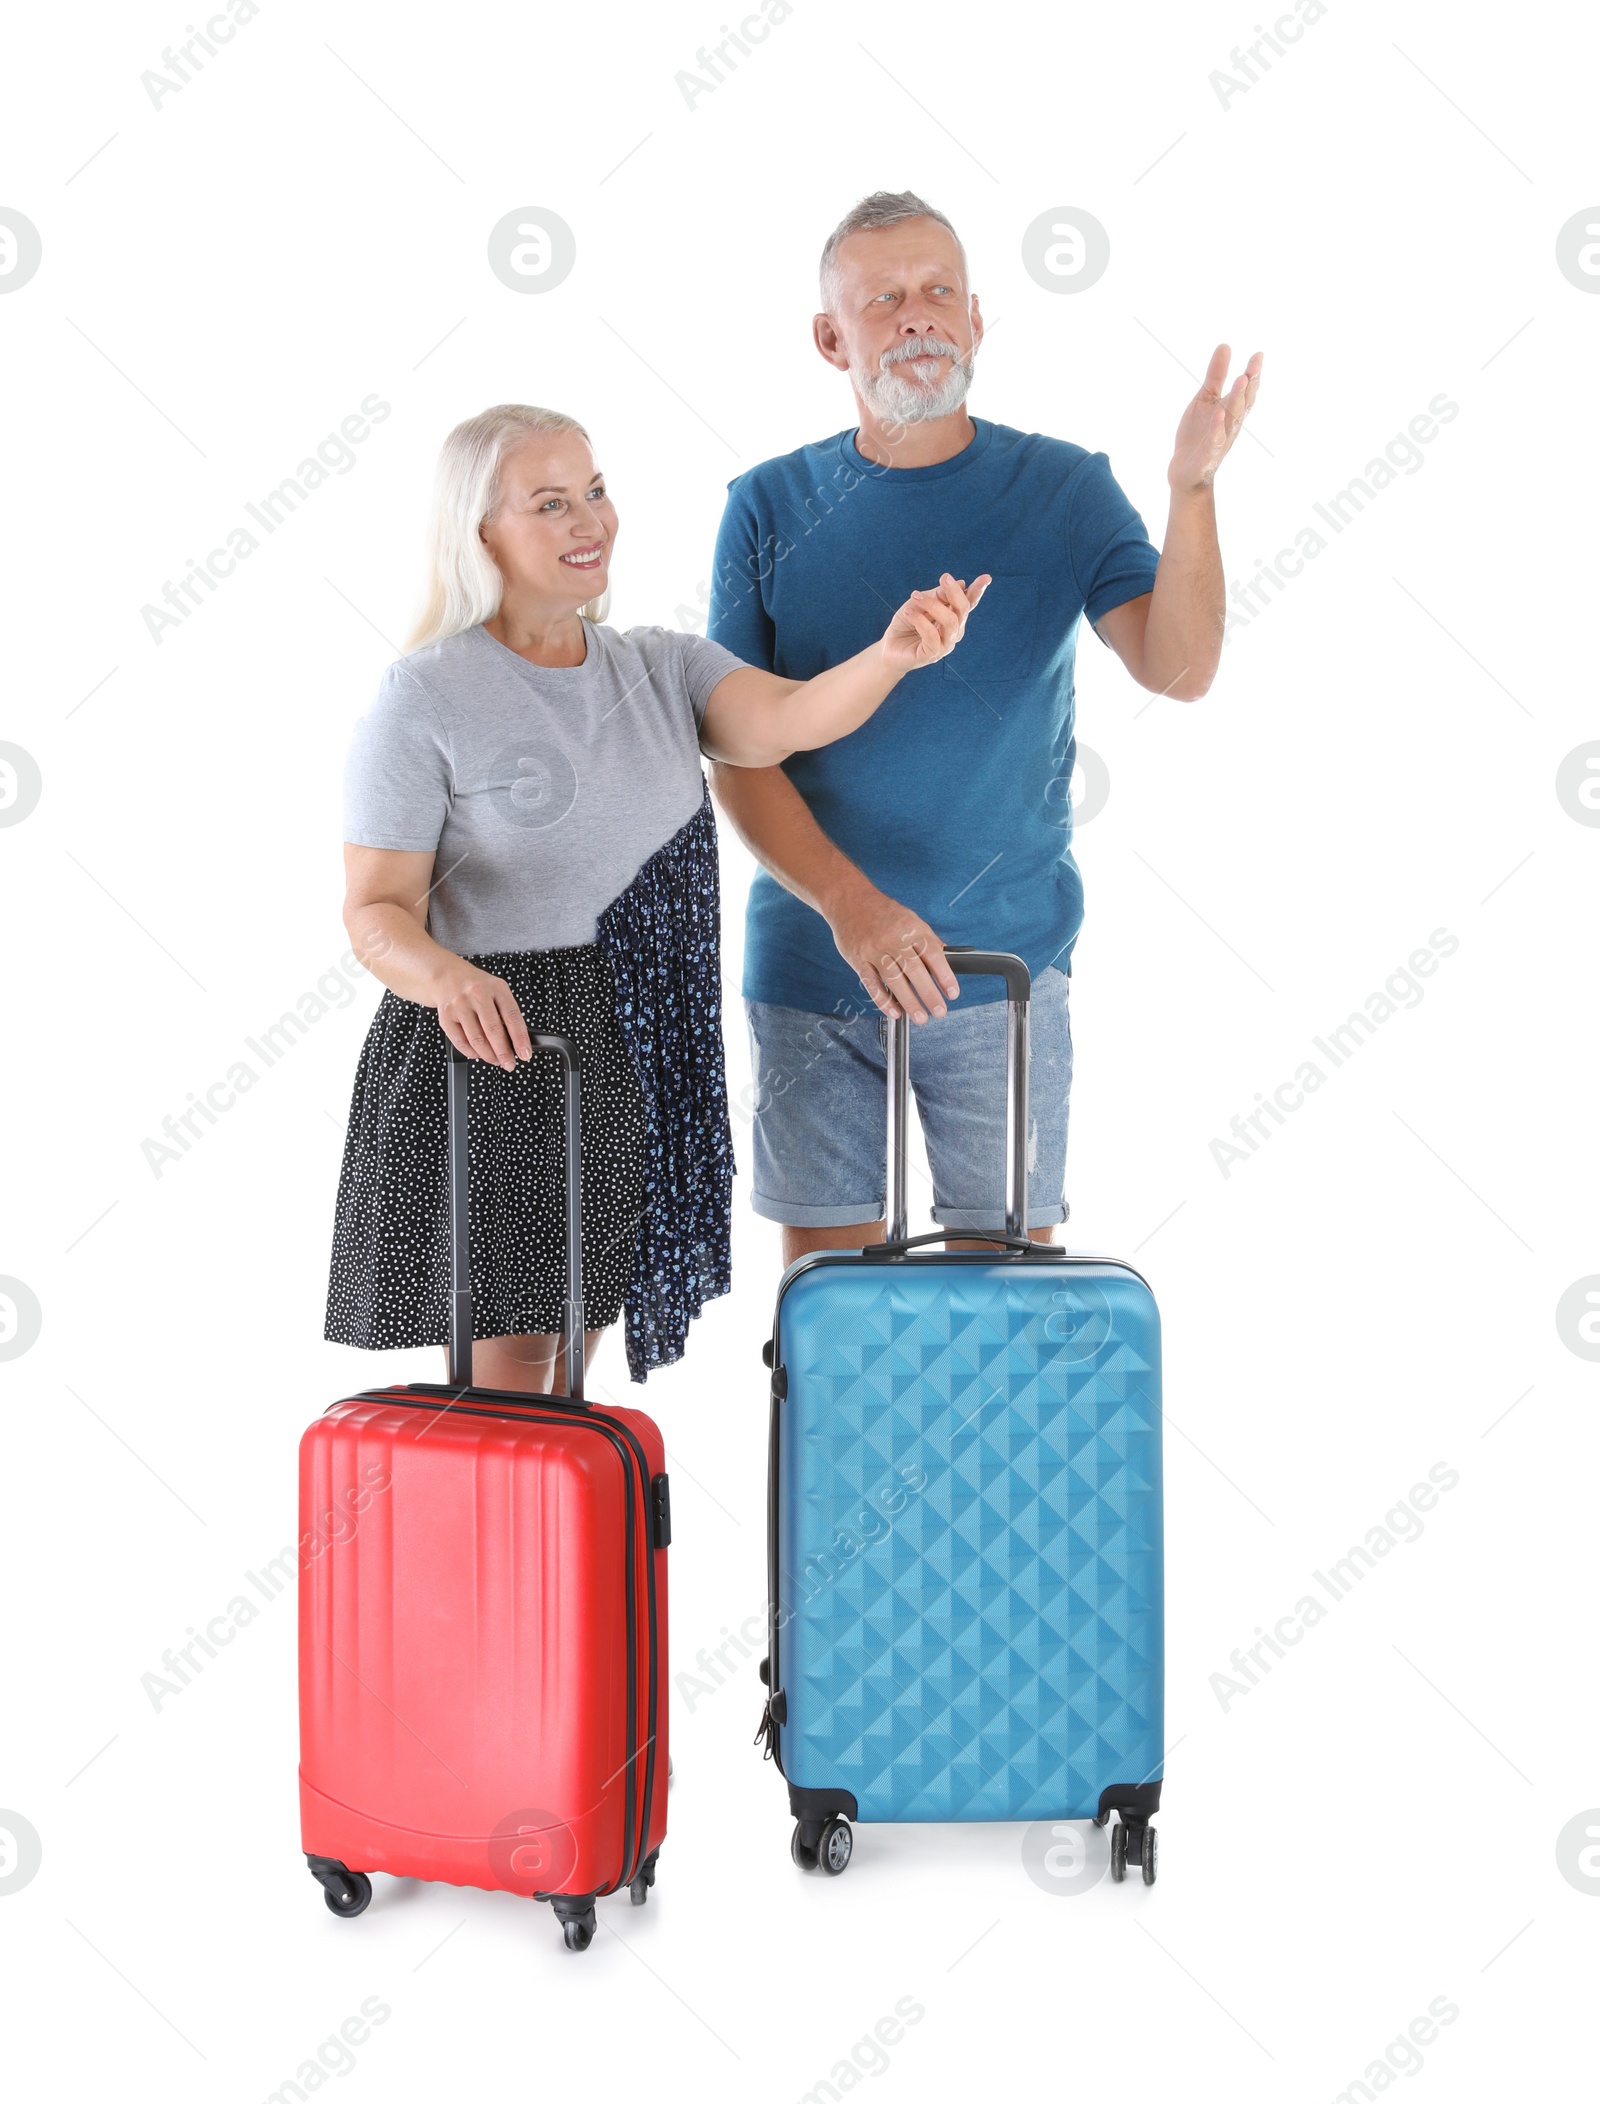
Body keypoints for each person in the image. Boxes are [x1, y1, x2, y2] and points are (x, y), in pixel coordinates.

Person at [323, 402, 988, 1391]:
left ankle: (561, 1545)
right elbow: (374, 911)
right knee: (514, 1386)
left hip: (640, 1049)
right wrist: (445, 977)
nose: (590, 520)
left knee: (567, 1385)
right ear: (482, 533)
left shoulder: (661, 665)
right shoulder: (425, 695)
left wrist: (891, 654)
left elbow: (784, 723)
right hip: (505, 1052)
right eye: (550, 503)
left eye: (594, 490)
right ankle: (506, 1546)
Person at [708, 190, 1263, 1262]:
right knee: (833, 1321)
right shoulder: (766, 504)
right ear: (832, 338)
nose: (917, 317)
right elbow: (738, 748)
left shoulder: (1061, 488)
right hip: (819, 964)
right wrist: (852, 910)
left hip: (1005, 966)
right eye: (883, 301)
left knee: (1004, 1324)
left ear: (976, 316)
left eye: (937, 292)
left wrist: (1190, 490)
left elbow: (1181, 667)